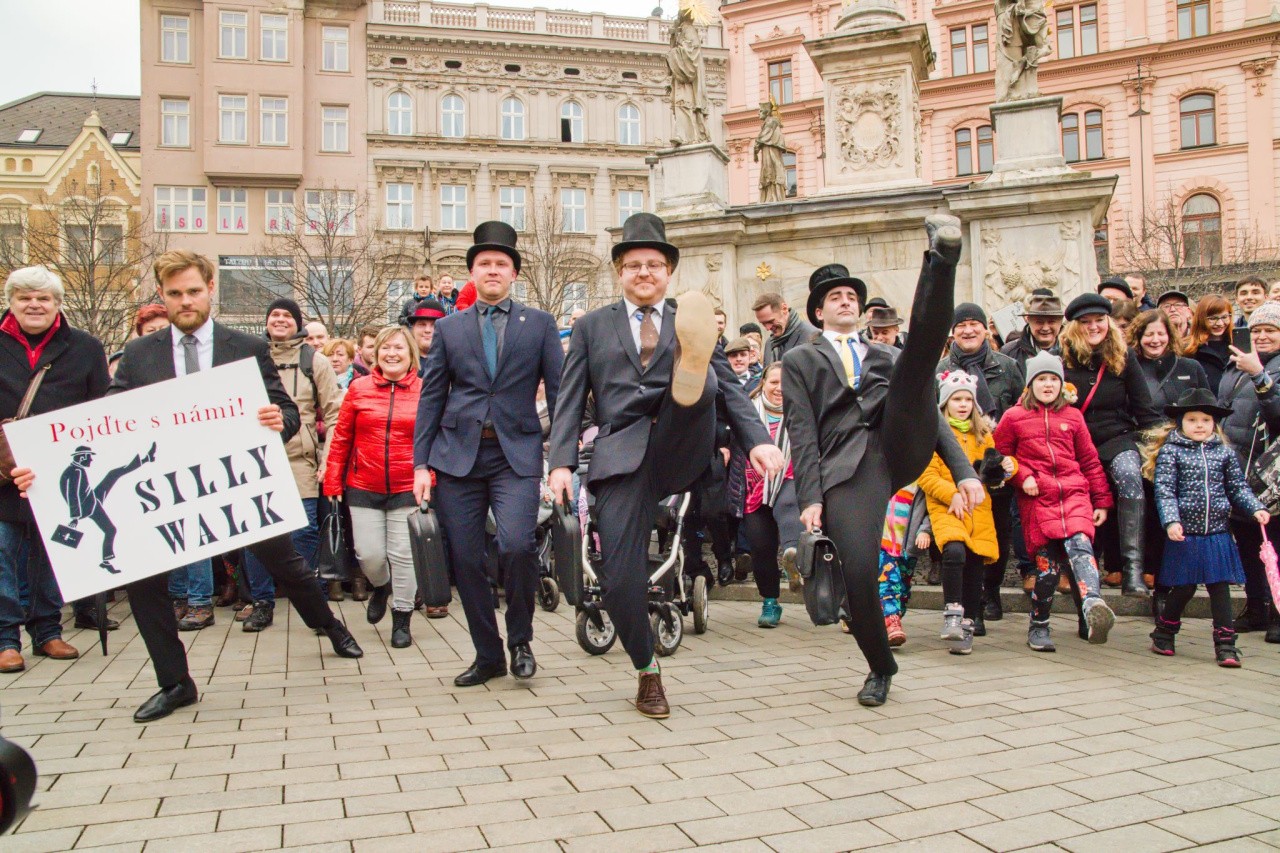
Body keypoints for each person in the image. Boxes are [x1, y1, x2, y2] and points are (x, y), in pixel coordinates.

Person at [12, 250, 362, 720]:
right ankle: (175, 682)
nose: (185, 301)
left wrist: (277, 418)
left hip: (234, 487)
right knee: (142, 581)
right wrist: (45, 465)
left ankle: (328, 625)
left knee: (286, 563)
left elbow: (288, 411)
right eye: (174, 294)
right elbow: (104, 424)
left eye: (194, 291)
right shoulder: (139, 354)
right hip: (163, 496)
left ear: (210, 288)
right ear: (162, 295)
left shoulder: (246, 347)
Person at [548, 213, 782, 718]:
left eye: (654, 264)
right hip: (621, 457)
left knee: (705, 388)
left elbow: (740, 398)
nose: (644, 272)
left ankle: (689, 377)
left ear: (668, 272)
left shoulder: (686, 319)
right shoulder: (591, 327)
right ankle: (647, 669)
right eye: (634, 265)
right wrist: (560, 464)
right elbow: (569, 400)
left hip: (681, 445)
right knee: (618, 580)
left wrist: (758, 441)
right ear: (619, 272)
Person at [783, 215, 977, 707]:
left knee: (918, 359)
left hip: (897, 443)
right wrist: (810, 498)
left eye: (852, 296)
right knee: (861, 572)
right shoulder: (801, 362)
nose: (846, 302)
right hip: (848, 469)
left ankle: (942, 259)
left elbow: (930, 418)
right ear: (819, 312)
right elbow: (802, 432)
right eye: (835, 298)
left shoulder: (883, 355)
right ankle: (879, 666)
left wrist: (965, 472)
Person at [415, 221, 564, 687]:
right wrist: (420, 463)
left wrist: (560, 458)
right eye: (484, 264)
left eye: (501, 264)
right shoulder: (450, 328)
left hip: (515, 455)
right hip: (457, 458)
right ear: (472, 274)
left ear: (514, 273)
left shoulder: (538, 324)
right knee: (466, 559)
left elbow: (560, 393)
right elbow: (432, 397)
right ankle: (488, 654)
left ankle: (520, 639)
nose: (493, 270)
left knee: (517, 545)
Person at [0, 266, 108, 673]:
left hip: (59, 475)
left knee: (52, 556)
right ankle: (5, 639)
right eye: (25, 297)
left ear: (58, 305)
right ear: (11, 302)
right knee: (2, 556)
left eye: (43, 298)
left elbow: (101, 409)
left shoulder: (84, 346)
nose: (34, 304)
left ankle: (47, 631)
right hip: (4, 472)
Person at [994, 352, 1116, 651]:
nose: (1048, 385)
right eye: (1041, 379)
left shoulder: (1073, 417)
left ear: (1061, 384)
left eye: (1053, 379)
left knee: (1082, 549)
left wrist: (1101, 500)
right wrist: (1022, 477)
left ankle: (1091, 607)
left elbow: (1088, 459)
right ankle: (1038, 625)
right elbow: (999, 458)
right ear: (1030, 384)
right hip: (1039, 498)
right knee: (1047, 568)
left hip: (1074, 492)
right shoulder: (1014, 417)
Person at [239, 298, 343, 632]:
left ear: (298, 323)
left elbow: (335, 413)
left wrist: (328, 460)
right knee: (257, 537)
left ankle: (309, 602)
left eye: (287, 315)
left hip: (301, 460)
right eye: (274, 315)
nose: (280, 320)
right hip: (255, 462)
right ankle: (262, 603)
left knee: (303, 534)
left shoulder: (315, 361)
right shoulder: (248, 356)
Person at [1148, 388, 1269, 666]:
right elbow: (1165, 491)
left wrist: (1256, 508)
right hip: (1184, 533)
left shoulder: (1223, 453)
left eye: (1205, 419)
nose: (1199, 425)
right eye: (1192, 420)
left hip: (1217, 532)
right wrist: (1171, 520)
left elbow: (1237, 488)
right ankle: (1164, 631)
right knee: (1185, 587)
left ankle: (1225, 644)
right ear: (1181, 423)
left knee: (1219, 586)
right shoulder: (1171, 452)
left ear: (1214, 423)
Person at [325, 325, 423, 648]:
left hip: (407, 485)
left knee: (403, 555)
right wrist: (332, 479)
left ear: (411, 355)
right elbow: (341, 437)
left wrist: (430, 478)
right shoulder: (359, 388)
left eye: (399, 348)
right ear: (376, 354)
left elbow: (436, 440)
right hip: (363, 483)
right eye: (385, 348)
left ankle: (402, 618)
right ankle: (381, 586)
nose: (391, 353)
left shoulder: (425, 390)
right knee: (369, 555)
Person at [1060, 293, 1162, 597]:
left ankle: (1132, 570)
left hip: (1117, 437)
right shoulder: (1061, 357)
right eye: (1086, 322)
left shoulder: (1124, 356)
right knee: (1072, 489)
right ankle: (1076, 570)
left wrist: (1161, 444)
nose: (1094, 327)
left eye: (1099, 320)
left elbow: (1145, 409)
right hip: (1076, 441)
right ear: (1076, 326)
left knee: (1131, 477)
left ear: (1108, 322)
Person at [936, 302, 1025, 627]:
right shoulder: (940, 369)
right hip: (953, 467)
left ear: (986, 328)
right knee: (960, 538)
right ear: (953, 331)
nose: (968, 330)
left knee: (996, 534)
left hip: (994, 465)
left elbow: (1020, 412)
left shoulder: (1007, 366)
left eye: (974, 324)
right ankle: (967, 606)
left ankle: (992, 592)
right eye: (962, 325)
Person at [919, 371, 1010, 655]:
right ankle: (953, 613)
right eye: (956, 399)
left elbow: (993, 466)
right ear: (945, 403)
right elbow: (926, 475)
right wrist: (953, 494)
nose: (962, 404)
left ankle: (969, 621)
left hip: (979, 508)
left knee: (974, 563)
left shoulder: (983, 435)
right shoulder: (933, 433)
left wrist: (1006, 468)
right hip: (947, 505)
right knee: (954, 551)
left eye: (967, 399)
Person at [1217, 300, 1280, 642]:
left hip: (1274, 474)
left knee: (1277, 543)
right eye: (1256, 330)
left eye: (1271, 330)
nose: (1263, 336)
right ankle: (1256, 605)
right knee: (1249, 543)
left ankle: (1278, 611)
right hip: (1241, 468)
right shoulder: (1234, 365)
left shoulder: (1258, 368)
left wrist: (1260, 375)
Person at [738, 362, 800, 628]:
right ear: (763, 382)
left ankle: (793, 557)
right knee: (761, 548)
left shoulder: (802, 409)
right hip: (753, 485)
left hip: (791, 475)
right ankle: (770, 601)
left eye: (785, 383)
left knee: (788, 504)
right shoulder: (746, 411)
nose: (779, 388)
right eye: (774, 382)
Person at [1130, 310, 1209, 412]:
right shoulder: (1130, 369)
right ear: (1138, 337)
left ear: (1169, 336)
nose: (1155, 340)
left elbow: (1208, 408)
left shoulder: (1191, 367)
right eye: (1149, 335)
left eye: (1161, 334)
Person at [1184, 295, 1235, 393]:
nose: (1220, 323)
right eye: (1212, 318)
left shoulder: (1238, 346)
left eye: (1224, 317)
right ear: (1201, 318)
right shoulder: (1188, 350)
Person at [754, 292, 817, 367]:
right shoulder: (769, 343)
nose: (767, 328)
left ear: (784, 309)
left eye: (771, 321)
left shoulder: (811, 336)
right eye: (763, 324)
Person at [1002, 293, 1063, 370]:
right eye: (1039, 322)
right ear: (1028, 321)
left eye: (1051, 322)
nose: (1045, 328)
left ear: (1060, 322)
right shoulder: (1009, 352)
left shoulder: (1073, 352)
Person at [401, 297, 446, 376]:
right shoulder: (400, 362)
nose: (427, 330)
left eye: (434, 325)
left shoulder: (454, 363)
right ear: (413, 328)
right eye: (422, 324)